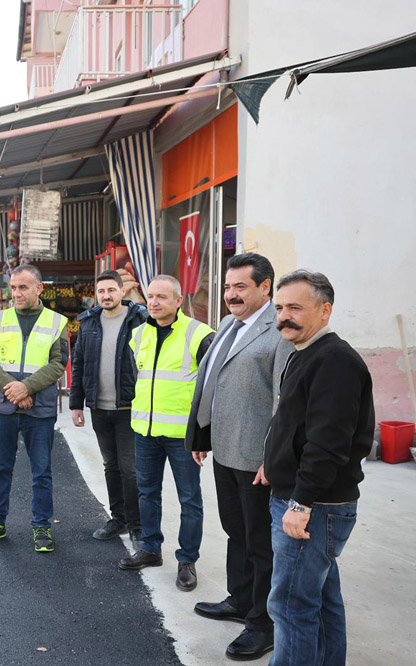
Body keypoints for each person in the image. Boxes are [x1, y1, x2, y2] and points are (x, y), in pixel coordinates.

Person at [184, 253, 292, 661]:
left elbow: (284, 401)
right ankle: (240, 600)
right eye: (228, 287)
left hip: (256, 458)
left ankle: (262, 624)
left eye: (240, 287)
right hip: (225, 451)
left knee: (260, 543)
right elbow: (212, 385)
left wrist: (274, 456)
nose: (230, 294)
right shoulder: (229, 324)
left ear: (265, 287)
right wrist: (202, 434)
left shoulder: (278, 331)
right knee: (235, 531)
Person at [263, 270, 373, 666]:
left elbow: (328, 442)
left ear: (325, 311)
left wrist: (301, 502)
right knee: (321, 602)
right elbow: (294, 423)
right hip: (306, 501)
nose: (283, 316)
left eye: (295, 307)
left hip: (314, 507)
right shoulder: (305, 353)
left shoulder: (334, 361)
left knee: (292, 608)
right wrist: (271, 461)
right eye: (279, 308)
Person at [118, 275, 214, 592]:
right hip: (145, 432)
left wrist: (203, 433)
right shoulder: (138, 335)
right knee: (147, 492)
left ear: (178, 300)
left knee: (189, 499)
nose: (154, 302)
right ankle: (150, 548)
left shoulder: (198, 334)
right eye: (150, 296)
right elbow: (138, 379)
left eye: (162, 296)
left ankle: (187, 560)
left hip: (182, 436)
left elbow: (212, 388)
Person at [0, 265, 69, 553]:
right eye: (13, 287)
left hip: (39, 408)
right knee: (0, 468)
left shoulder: (57, 322)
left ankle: (41, 525)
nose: (16, 293)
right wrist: (14, 390)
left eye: (23, 287)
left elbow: (58, 363)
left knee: (42, 470)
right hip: (3, 406)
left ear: (39, 288)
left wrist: (27, 388)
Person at [69, 270, 148, 547]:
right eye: (101, 291)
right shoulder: (88, 321)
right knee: (110, 465)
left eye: (111, 290)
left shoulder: (140, 319)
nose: (106, 296)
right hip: (98, 408)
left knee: (130, 468)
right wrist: (76, 403)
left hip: (129, 407)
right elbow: (79, 364)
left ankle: (137, 525)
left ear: (122, 291)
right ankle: (118, 519)